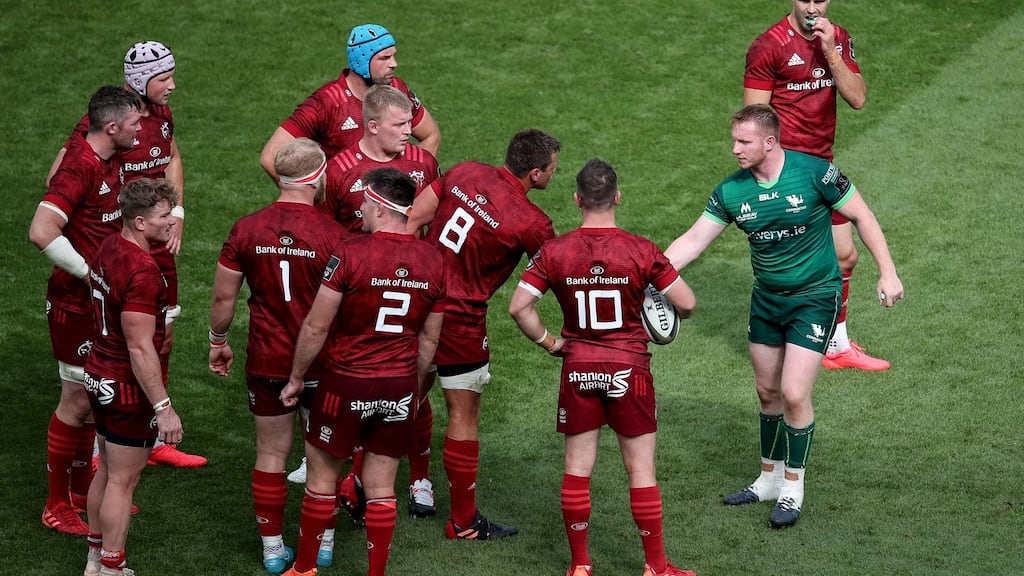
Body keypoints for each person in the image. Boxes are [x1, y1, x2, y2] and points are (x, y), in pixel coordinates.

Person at [664, 105, 903, 528]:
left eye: (744, 141)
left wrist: (888, 271)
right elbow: (694, 240)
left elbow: (861, 216)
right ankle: (768, 479)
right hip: (768, 301)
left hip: (815, 297)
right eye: (734, 139)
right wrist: (650, 277)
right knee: (766, 392)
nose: (734, 149)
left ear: (769, 142)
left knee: (793, 393)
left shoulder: (815, 173)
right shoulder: (732, 191)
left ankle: (793, 488)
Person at [509, 159, 699, 576]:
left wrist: (551, 343)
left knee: (578, 467)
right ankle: (656, 568)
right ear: (617, 197)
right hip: (629, 368)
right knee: (641, 468)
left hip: (579, 368)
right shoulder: (641, 250)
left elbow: (519, 307)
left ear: (577, 200)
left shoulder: (554, 252)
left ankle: (580, 565)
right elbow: (686, 302)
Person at [46, 40, 206, 468]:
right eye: (165, 78)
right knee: (121, 342)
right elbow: (59, 176)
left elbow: (172, 156)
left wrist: (177, 212)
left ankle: (155, 441)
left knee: (162, 334)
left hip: (156, 243)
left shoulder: (160, 115)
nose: (172, 86)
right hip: (119, 250)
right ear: (140, 82)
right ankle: (104, 446)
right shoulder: (103, 125)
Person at [280, 167, 445, 576]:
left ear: (381, 206)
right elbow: (429, 342)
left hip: (346, 382)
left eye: (365, 202)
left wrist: (297, 377)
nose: (360, 209)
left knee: (321, 479)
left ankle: (303, 569)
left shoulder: (351, 252)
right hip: (399, 384)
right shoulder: (435, 260)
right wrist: (414, 387)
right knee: (382, 487)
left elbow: (317, 325)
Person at [405, 128, 561, 539]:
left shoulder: (465, 172)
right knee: (463, 415)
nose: (553, 174)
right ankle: (462, 521)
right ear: (535, 173)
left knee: (402, 396)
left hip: (416, 302)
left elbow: (411, 221)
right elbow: (559, 277)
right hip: (459, 322)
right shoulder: (533, 222)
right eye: (551, 169)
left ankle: (359, 486)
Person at [208, 138, 351, 574]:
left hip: (267, 361)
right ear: (316, 177)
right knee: (324, 457)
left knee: (270, 454)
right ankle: (322, 543)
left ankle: (272, 550)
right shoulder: (334, 234)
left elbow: (222, 297)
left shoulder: (247, 228)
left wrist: (218, 341)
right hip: (323, 365)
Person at [744, 0, 887, 370]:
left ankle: (832, 346)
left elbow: (857, 98)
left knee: (844, 257)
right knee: (801, 267)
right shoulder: (769, 46)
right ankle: (795, 346)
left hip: (821, 166)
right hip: (790, 171)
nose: (812, 6)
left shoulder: (837, 37)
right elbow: (753, 122)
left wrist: (831, 53)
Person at [29, 85, 142, 536]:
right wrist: (91, 274)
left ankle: (79, 490)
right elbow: (42, 231)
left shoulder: (107, 156)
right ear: (112, 127)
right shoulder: (81, 164)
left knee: (91, 400)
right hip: (76, 305)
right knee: (75, 401)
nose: (142, 128)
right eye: (135, 122)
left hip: (96, 302)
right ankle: (56, 503)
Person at [81, 178, 184, 576]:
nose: (171, 222)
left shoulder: (109, 245)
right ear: (139, 222)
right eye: (163, 217)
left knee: (107, 469)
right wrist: (163, 408)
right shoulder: (142, 271)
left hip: (97, 374)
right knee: (122, 481)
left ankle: (95, 557)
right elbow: (141, 348)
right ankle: (111, 567)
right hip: (124, 385)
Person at [260, 23, 441, 183]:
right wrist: (313, 203)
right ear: (361, 61)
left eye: (393, 56)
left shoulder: (397, 89)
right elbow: (270, 157)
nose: (394, 64)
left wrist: (411, 188)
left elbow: (430, 134)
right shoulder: (326, 103)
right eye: (384, 58)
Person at [320, 84, 439, 233]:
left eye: (409, 122)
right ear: (374, 127)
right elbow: (323, 232)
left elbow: (437, 224)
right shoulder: (337, 172)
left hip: (410, 256)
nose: (408, 131)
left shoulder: (424, 161)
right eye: (400, 124)